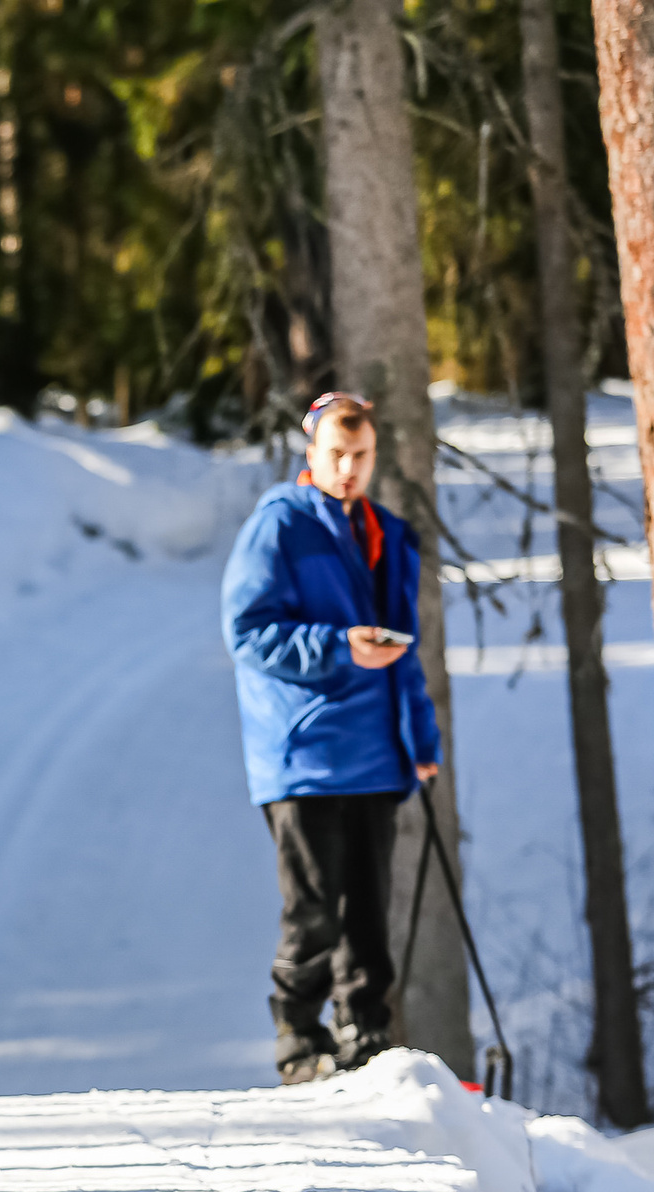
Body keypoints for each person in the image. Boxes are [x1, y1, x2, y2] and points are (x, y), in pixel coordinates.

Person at [221, 393, 441, 1084]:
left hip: (378, 751)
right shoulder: (279, 525)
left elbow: (403, 646)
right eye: (336, 455)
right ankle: (298, 1035)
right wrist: (337, 645)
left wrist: (422, 739)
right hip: (304, 753)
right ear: (310, 454)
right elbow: (247, 632)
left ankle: (366, 1032)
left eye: (361, 456)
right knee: (314, 907)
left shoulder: (385, 531)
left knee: (369, 909)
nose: (349, 468)